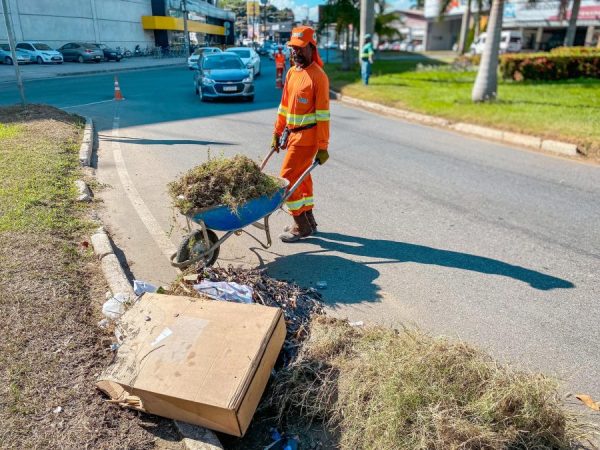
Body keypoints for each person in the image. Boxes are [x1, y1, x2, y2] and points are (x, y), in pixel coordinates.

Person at [271, 26, 330, 243]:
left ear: (311, 48)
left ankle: (301, 225)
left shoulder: (318, 77)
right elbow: (284, 107)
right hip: (292, 136)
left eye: (299, 49)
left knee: (286, 178)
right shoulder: (291, 73)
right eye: (292, 49)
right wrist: (277, 132)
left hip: (308, 139)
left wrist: (323, 146)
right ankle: (309, 221)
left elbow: (323, 116)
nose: (295, 53)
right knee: (302, 179)